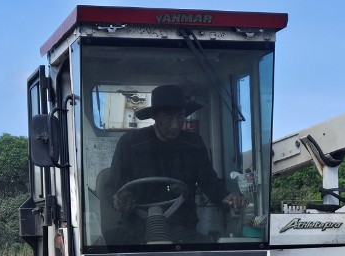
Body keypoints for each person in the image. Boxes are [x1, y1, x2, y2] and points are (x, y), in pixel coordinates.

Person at [104, 84, 246, 243]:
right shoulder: (129, 143)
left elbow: (209, 181)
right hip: (136, 229)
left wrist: (226, 196)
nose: (175, 125)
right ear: (155, 116)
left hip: (182, 228)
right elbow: (113, 186)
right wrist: (119, 199)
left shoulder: (193, 144)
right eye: (168, 118)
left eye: (180, 117)